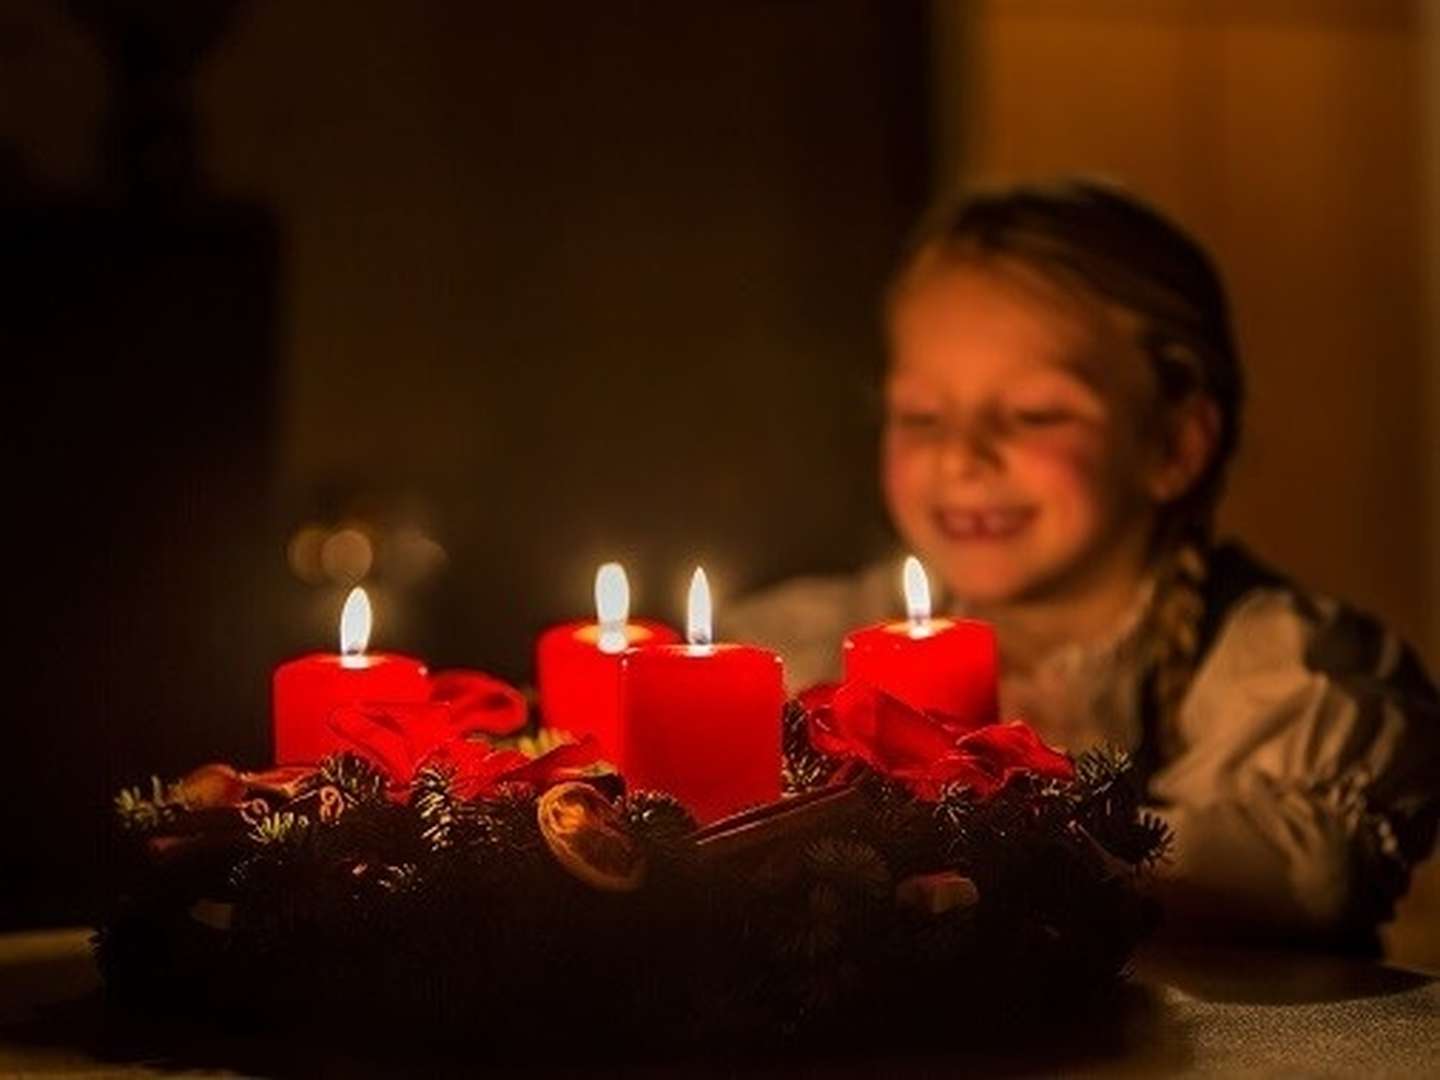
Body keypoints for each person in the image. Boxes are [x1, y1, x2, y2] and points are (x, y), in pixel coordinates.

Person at [725, 179, 1440, 945]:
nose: (961, 456)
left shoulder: (1282, 671)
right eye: (921, 416)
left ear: (1173, 445)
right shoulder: (814, 643)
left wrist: (1019, 823)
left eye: (1036, 414)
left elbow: (1310, 874)